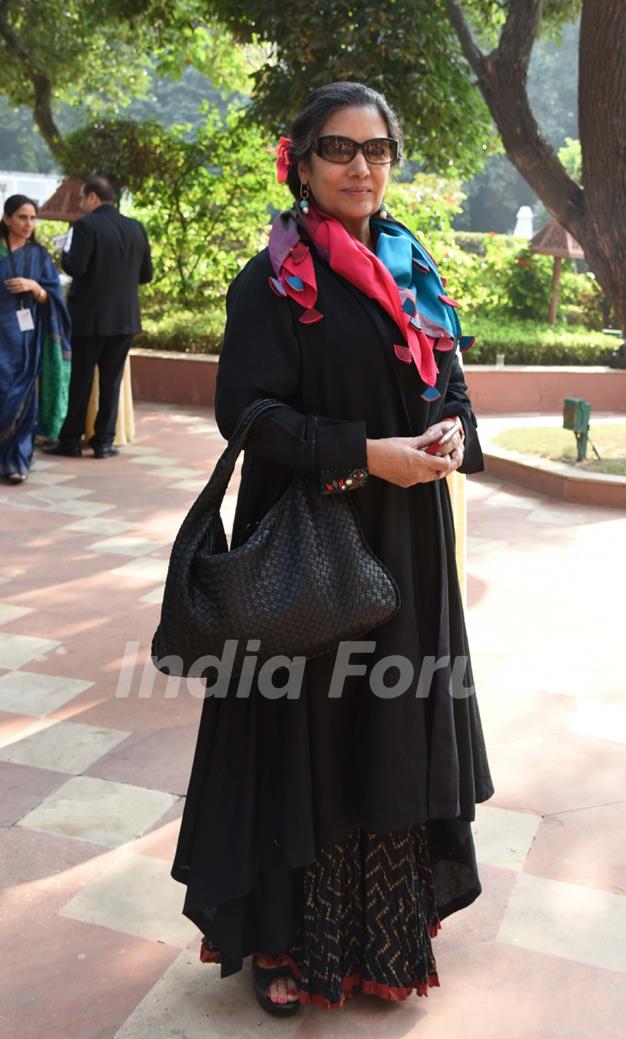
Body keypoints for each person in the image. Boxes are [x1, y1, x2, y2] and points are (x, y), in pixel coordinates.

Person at [171, 82, 494, 1016]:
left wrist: (447, 441)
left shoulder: (413, 267)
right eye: (340, 150)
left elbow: (458, 398)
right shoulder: (274, 280)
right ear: (301, 162)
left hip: (408, 546)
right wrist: (363, 456)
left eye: (378, 149)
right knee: (300, 737)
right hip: (309, 548)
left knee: (387, 733)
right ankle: (282, 940)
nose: (362, 167)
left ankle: (380, 941)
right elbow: (249, 414)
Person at [44, 174, 152, 459]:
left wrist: (64, 252)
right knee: (111, 381)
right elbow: (146, 275)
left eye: (82, 198)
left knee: (80, 380)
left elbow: (75, 267)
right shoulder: (136, 228)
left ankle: (70, 440)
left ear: (93, 197)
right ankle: (104, 442)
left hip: (89, 317)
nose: (81, 204)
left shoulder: (85, 226)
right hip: (125, 319)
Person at [0, 194, 71, 483]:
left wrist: (35, 288)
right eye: (22, 217)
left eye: (32, 218)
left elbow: (52, 296)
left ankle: (17, 460)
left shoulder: (38, 256)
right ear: (7, 219)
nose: (29, 223)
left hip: (25, 341)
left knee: (23, 397)